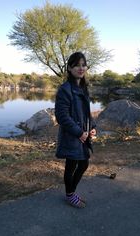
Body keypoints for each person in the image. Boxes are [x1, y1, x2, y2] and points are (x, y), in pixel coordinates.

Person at [55, 51, 96, 208]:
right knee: (72, 165)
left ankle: (70, 193)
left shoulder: (84, 89)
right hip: (73, 135)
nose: (81, 68)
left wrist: (92, 128)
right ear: (70, 68)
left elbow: (87, 114)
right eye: (77, 65)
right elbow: (62, 116)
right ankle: (70, 195)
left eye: (83, 65)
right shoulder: (65, 89)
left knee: (83, 164)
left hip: (84, 134)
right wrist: (79, 132)